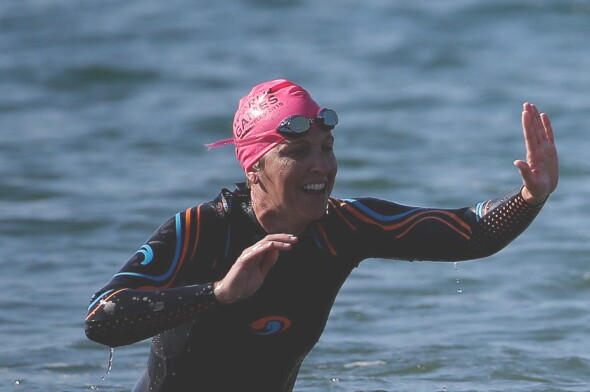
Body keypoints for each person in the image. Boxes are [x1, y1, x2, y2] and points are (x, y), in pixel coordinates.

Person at [84, 79, 557, 391]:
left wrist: (529, 196)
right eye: (298, 152)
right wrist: (219, 293)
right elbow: (102, 318)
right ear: (254, 167)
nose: (321, 166)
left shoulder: (343, 226)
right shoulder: (202, 230)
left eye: (326, 148)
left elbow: (470, 234)